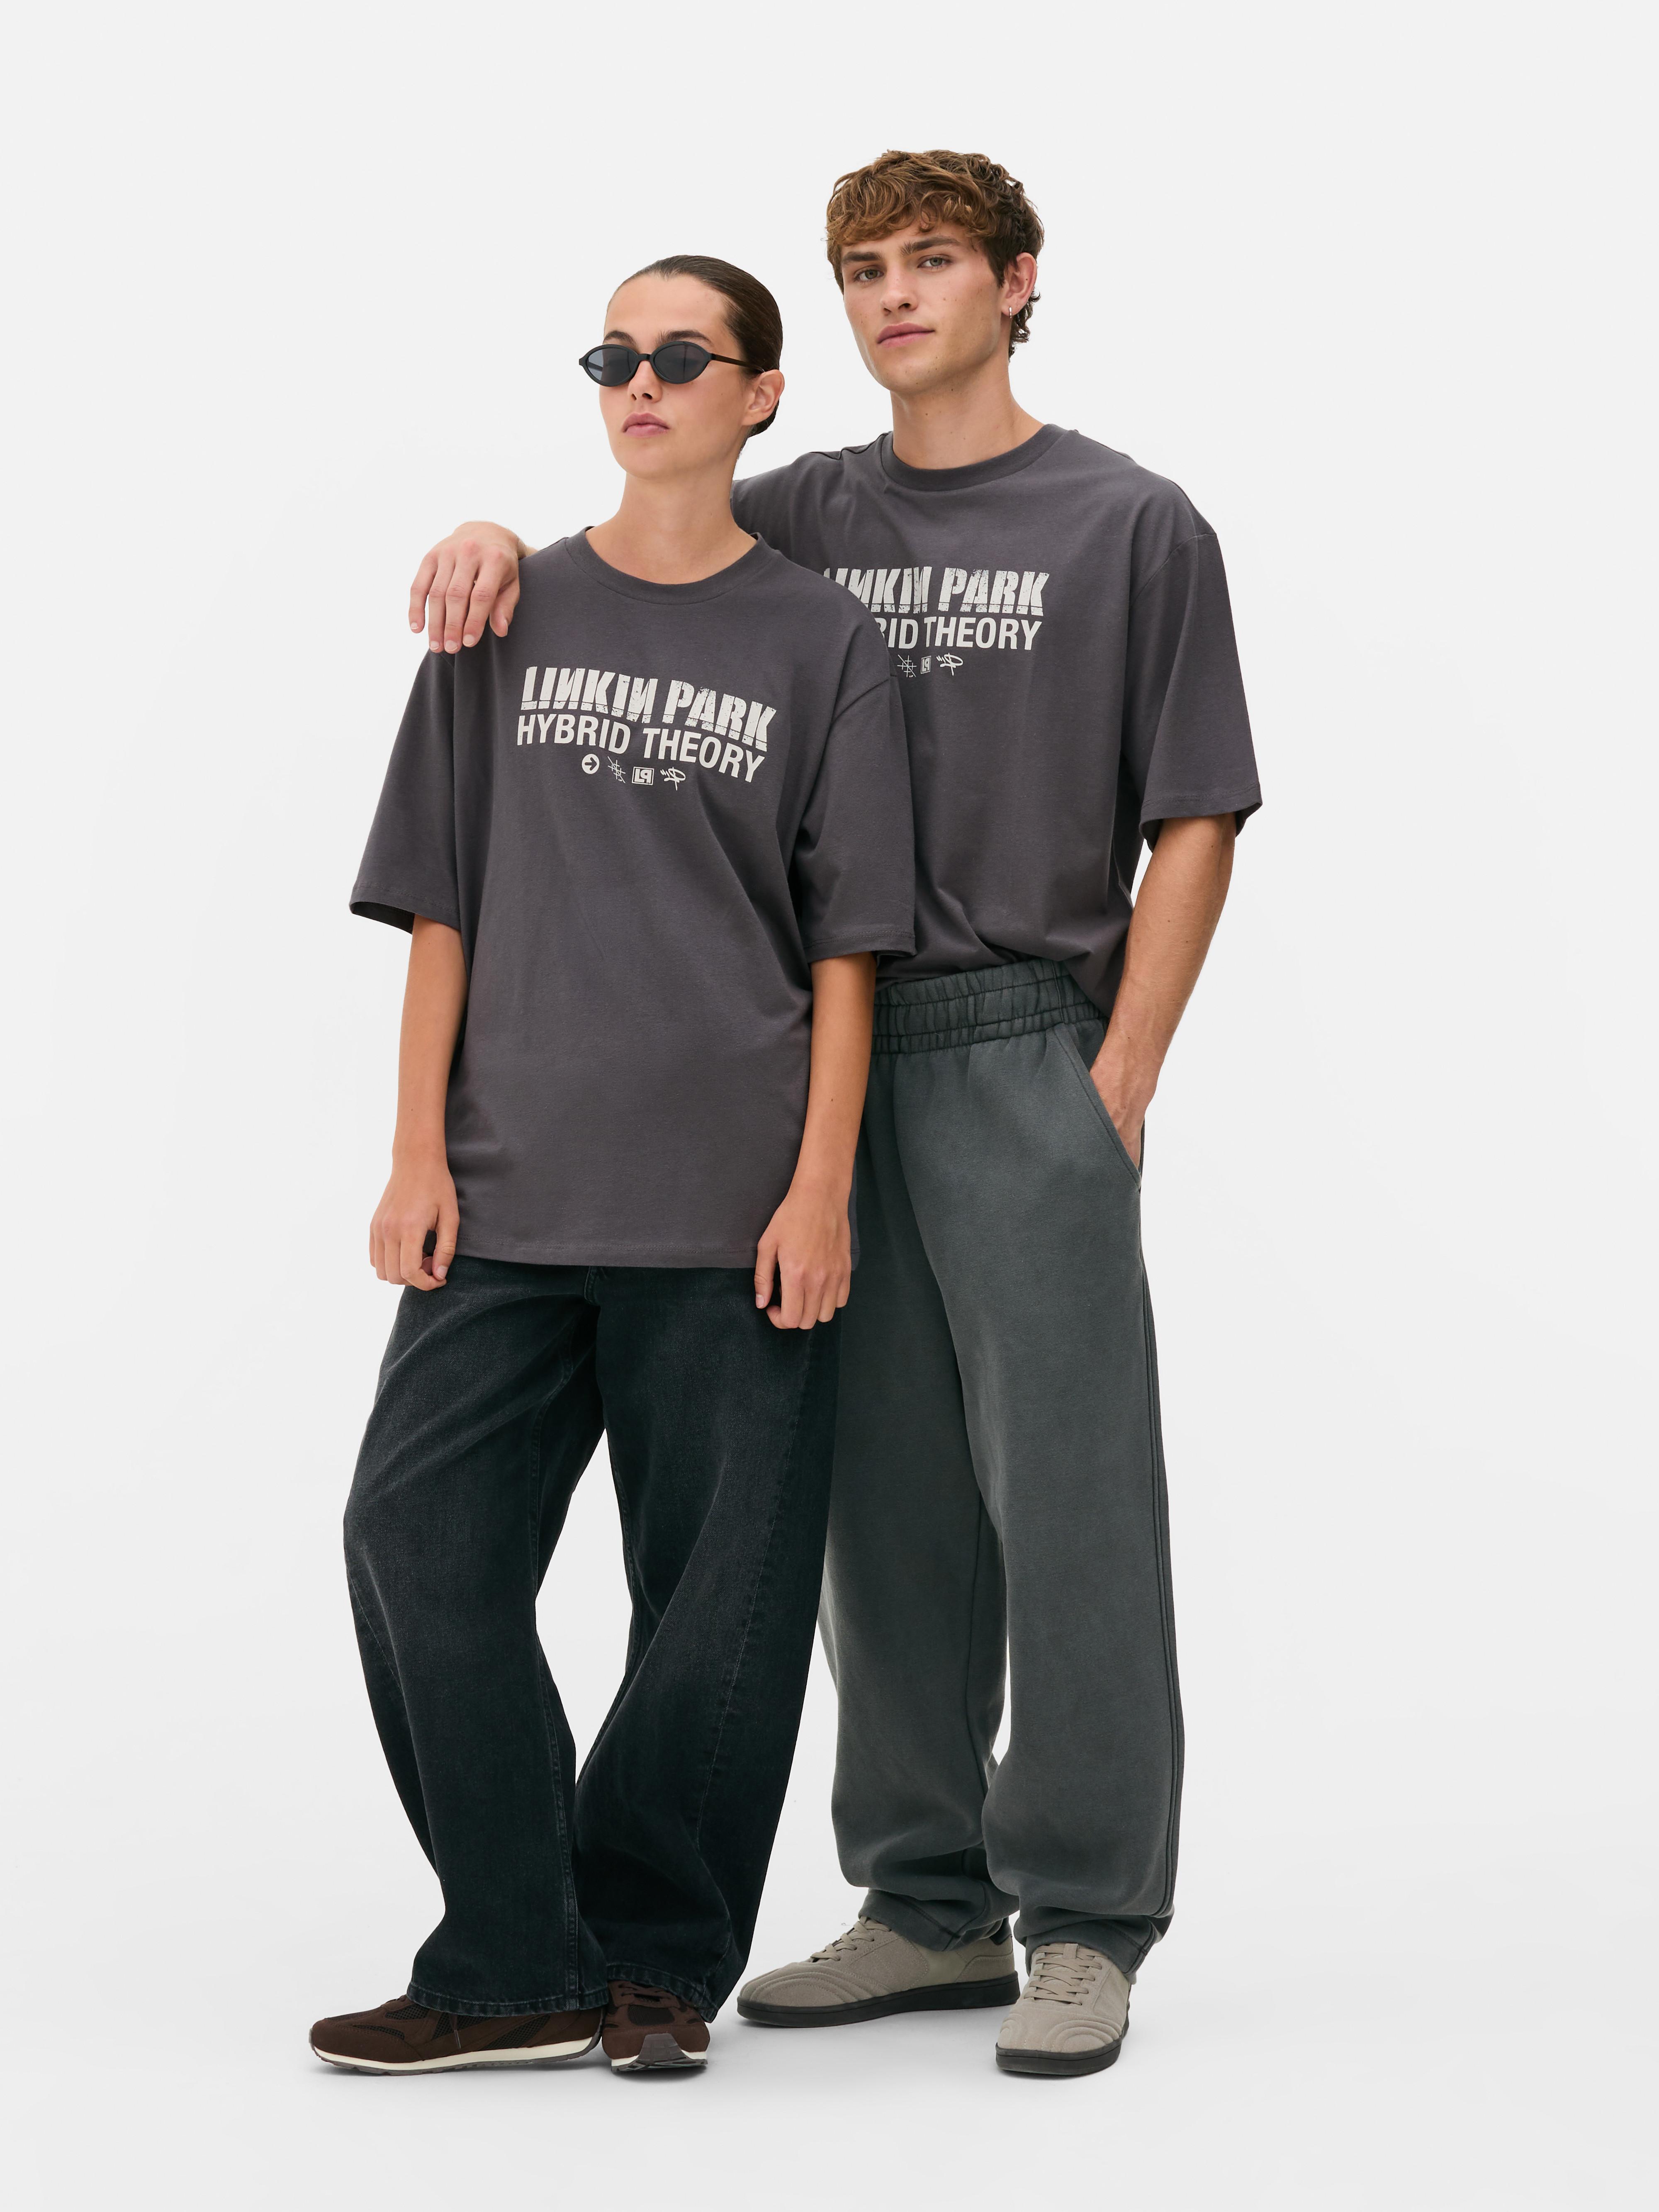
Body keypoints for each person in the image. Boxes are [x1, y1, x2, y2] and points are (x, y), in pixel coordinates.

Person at [408, 148, 1262, 2080]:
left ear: (1015, 280)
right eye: (863, 267)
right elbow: (639, 543)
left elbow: (1197, 806)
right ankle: (927, 1898)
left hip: (1022, 1035)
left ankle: (1088, 1915)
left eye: (931, 260)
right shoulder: (801, 506)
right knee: (877, 1504)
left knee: (1068, 1494)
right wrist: (483, 538)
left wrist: (1121, 1067)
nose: (893, 295)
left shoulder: (1130, 523)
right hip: (815, 1061)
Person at [310, 255, 914, 2078]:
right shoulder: (504, 609)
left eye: (681, 357)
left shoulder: (824, 642)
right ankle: (513, 1957)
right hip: (506, 1193)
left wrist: (820, 1189)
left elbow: (846, 950)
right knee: (413, 1536)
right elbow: (442, 906)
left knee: (716, 1605)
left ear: (761, 394)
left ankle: (654, 1960)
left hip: (733, 1203)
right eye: (613, 355)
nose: (640, 382)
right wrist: (414, 1151)